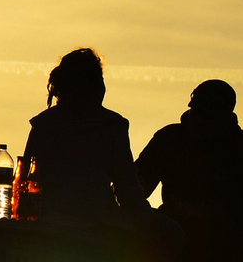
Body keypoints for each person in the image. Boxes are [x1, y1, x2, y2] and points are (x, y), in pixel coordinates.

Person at [135, 79, 243, 262]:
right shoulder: (170, 138)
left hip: (224, 234)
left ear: (225, 116)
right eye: (197, 111)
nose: (201, 120)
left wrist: (218, 212)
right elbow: (135, 186)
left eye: (210, 114)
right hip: (174, 228)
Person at [21, 48, 150, 222]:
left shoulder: (43, 124)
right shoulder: (112, 125)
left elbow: (24, 184)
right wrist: (147, 218)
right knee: (172, 232)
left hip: (48, 220)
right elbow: (127, 189)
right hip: (99, 222)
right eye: (99, 79)